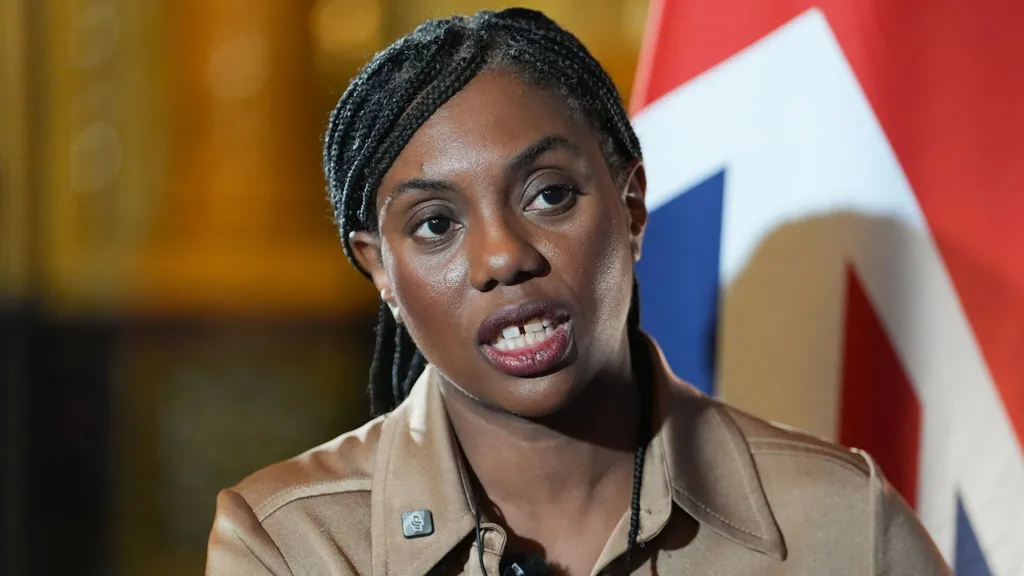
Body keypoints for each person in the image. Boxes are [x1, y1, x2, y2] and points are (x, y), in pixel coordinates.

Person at [206, 8, 949, 576]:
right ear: (379, 270)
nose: (503, 257)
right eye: (435, 224)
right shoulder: (292, 545)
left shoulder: (843, 522)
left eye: (549, 195)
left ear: (631, 206)